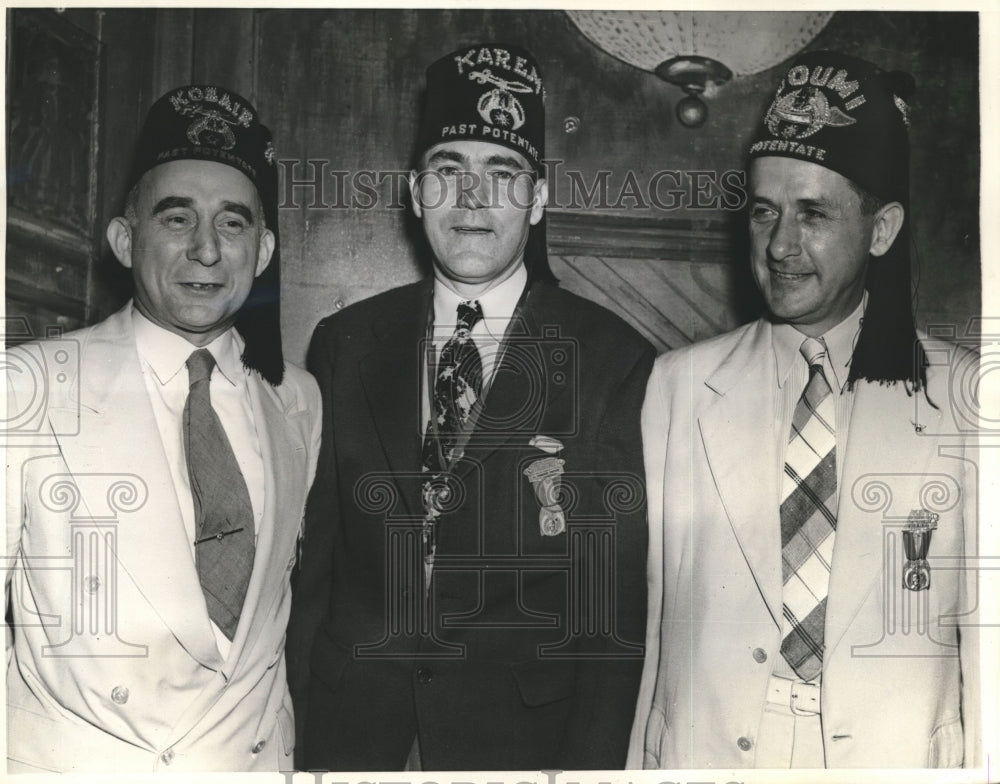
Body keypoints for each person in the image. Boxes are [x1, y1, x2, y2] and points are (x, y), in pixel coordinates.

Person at [288, 42, 654, 771]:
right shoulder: (347, 342)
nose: (473, 198)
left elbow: (611, 611)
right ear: (417, 192)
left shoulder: (612, 358)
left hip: (516, 742)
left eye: (502, 174)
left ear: (540, 199)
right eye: (449, 171)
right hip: (352, 732)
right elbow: (315, 574)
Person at [628, 51, 980, 769]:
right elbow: (658, 633)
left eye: (813, 214)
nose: (780, 246)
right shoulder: (680, 387)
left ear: (881, 231)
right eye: (765, 213)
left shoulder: (966, 404)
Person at [5, 85, 321, 772]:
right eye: (177, 219)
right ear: (124, 239)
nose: (206, 250)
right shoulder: (27, 386)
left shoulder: (296, 399)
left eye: (233, 224)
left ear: (263, 250)